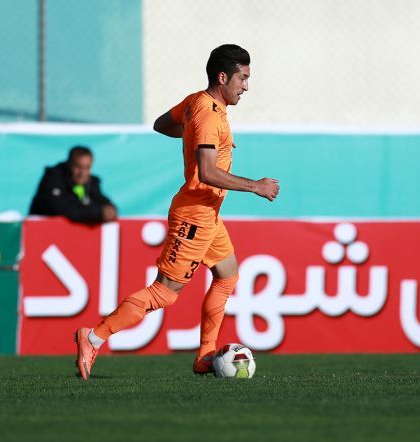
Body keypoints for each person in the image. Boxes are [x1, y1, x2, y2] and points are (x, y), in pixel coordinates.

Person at [73, 44, 279, 380]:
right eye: (242, 78)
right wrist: (254, 185)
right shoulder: (208, 115)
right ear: (223, 77)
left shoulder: (197, 102)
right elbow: (207, 172)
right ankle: (93, 337)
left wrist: (194, 132)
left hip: (209, 214)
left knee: (228, 276)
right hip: (195, 215)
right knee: (164, 293)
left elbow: (161, 124)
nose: (246, 86)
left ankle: (206, 355)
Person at [29, 146, 118, 224]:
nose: (82, 173)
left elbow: (100, 200)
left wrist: (110, 210)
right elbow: (62, 208)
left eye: (87, 168)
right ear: (69, 164)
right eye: (78, 167)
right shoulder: (53, 178)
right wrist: (96, 213)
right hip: (42, 232)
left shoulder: (91, 182)